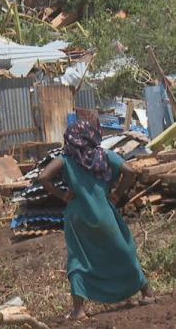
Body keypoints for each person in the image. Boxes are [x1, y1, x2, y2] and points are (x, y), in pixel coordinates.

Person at [38, 120, 155, 320]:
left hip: (78, 217)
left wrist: (62, 195)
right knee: (123, 249)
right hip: (104, 214)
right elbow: (129, 171)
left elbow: (43, 177)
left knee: (78, 259)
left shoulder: (65, 158)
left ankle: (79, 310)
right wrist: (117, 194)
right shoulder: (104, 155)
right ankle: (147, 292)